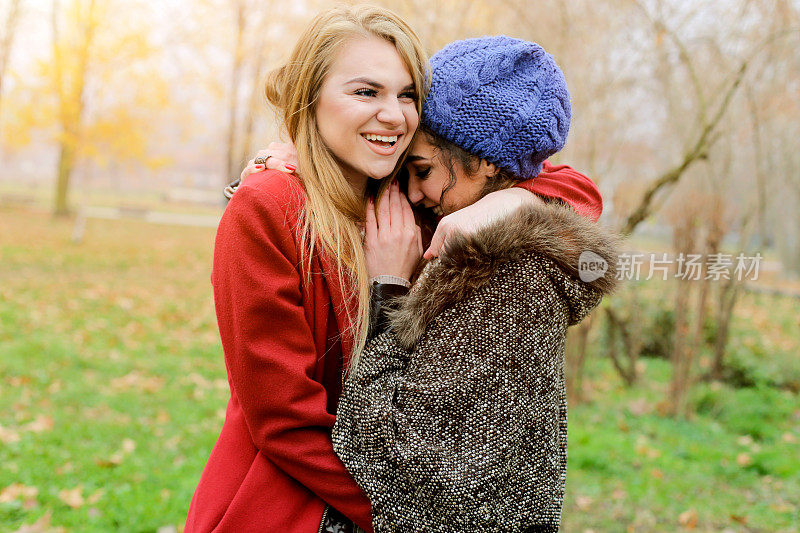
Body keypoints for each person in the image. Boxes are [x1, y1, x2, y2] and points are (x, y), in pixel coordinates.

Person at [189, 6, 603, 533]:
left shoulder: (419, 201)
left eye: (407, 95)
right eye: (367, 92)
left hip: (400, 487)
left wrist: (510, 205)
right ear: (311, 98)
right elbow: (283, 419)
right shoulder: (268, 207)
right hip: (289, 501)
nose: (394, 115)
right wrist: (404, 516)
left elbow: (575, 193)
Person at [329, 36, 620, 532]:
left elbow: (384, 447)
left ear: (486, 162)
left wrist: (389, 288)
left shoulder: (501, 278)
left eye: (422, 171)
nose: (414, 192)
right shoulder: (503, 234)